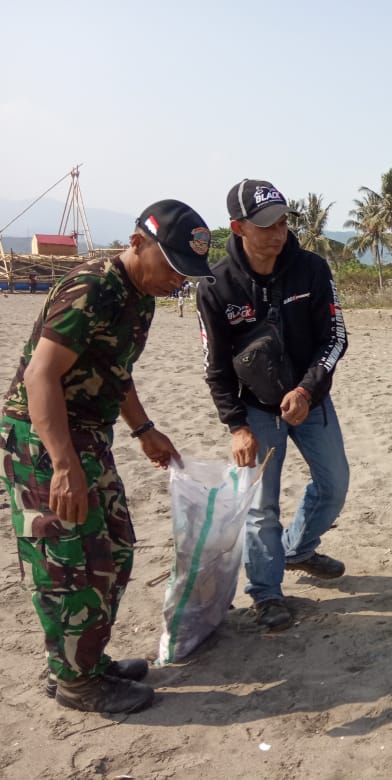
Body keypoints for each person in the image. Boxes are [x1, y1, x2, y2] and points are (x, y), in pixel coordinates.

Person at [0, 200, 212, 713]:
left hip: (89, 435)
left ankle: (84, 662)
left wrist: (143, 428)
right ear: (137, 242)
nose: (177, 282)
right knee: (71, 564)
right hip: (43, 439)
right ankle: (77, 682)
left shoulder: (140, 296)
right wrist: (65, 465)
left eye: (187, 274)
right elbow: (40, 376)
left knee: (114, 552)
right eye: (173, 268)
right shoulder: (93, 287)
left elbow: (114, 369)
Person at [196, 179, 349, 633]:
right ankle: (266, 593)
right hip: (255, 409)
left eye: (283, 222)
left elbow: (337, 338)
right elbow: (215, 366)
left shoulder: (313, 269)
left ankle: (299, 547)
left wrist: (306, 390)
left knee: (335, 483)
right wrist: (236, 426)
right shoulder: (216, 286)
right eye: (265, 225)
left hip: (310, 396)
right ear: (238, 227)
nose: (278, 232)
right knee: (262, 507)